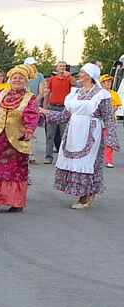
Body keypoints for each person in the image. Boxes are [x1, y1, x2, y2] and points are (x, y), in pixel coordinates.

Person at [47, 63, 118, 209]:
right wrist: (45, 113)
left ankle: (85, 196)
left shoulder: (101, 94)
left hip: (91, 132)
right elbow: (65, 116)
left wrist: (111, 137)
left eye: (82, 72)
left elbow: (109, 117)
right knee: (74, 161)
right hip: (74, 131)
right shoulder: (76, 93)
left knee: (88, 163)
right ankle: (86, 193)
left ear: (91, 75)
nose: (79, 75)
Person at [0, 64, 41, 212]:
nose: (17, 80)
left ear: (26, 81)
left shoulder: (29, 98)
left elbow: (32, 115)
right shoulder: (2, 93)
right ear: (10, 79)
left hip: (17, 140)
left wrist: (29, 130)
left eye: (21, 78)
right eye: (14, 77)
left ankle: (16, 202)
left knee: (15, 171)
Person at [42, 60, 73, 163]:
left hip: (64, 108)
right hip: (52, 106)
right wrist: (45, 107)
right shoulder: (52, 79)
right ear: (57, 68)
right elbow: (47, 93)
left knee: (64, 133)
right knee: (50, 134)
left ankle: (63, 156)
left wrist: (69, 76)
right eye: (60, 66)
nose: (62, 68)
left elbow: (75, 85)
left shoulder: (68, 79)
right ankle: (48, 156)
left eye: (64, 66)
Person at [100, 74, 121, 167]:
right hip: (100, 120)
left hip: (110, 121)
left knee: (109, 141)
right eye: (107, 81)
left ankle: (109, 161)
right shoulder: (98, 93)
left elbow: (116, 106)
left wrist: (109, 111)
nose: (109, 83)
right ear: (102, 83)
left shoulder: (114, 94)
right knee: (96, 141)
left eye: (110, 82)